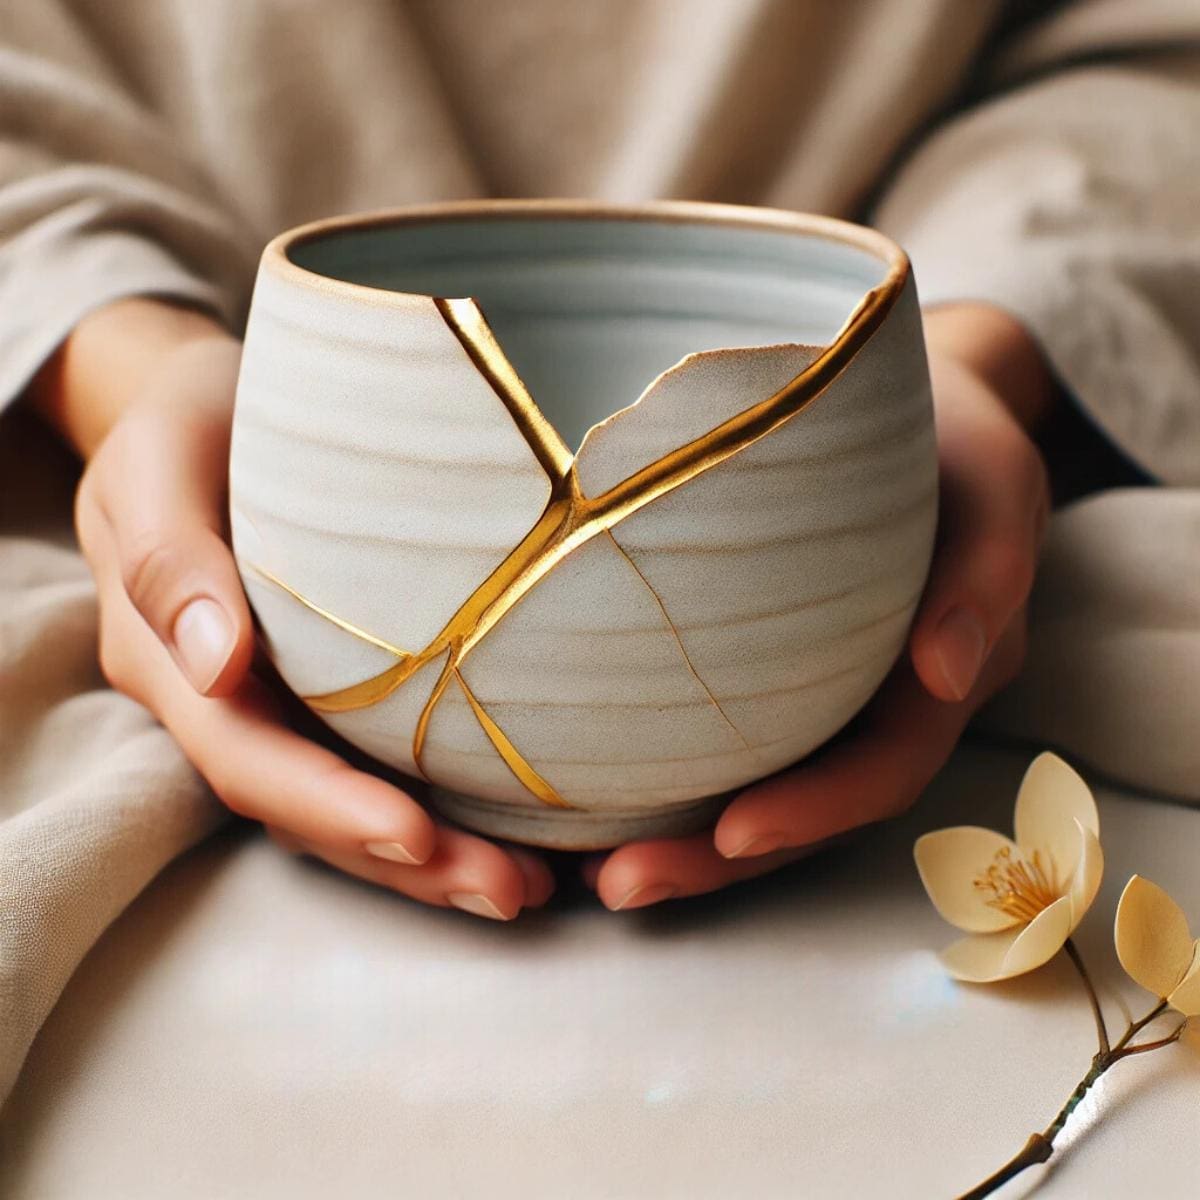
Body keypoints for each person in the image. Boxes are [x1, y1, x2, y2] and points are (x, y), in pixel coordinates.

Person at [3, 0, 1198, 934]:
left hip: (919, 336)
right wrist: (127, 364)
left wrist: (971, 355)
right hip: (211, 362)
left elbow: (1150, 55)